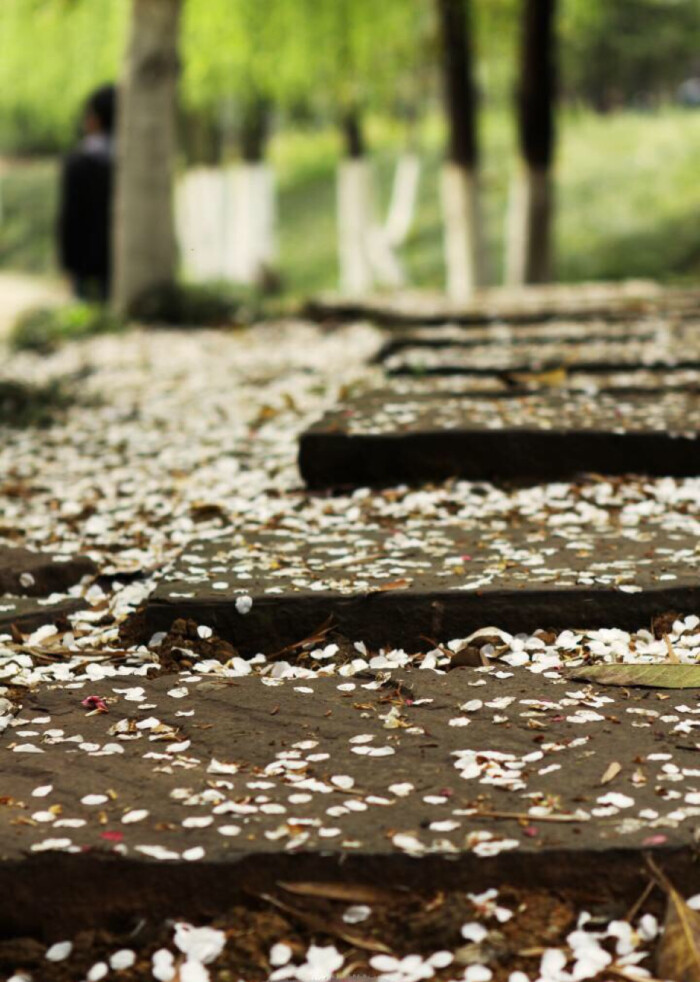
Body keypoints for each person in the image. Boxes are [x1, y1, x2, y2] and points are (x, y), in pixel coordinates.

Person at [57, 84, 117, 303]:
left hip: (86, 263)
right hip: (121, 260)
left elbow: (70, 215)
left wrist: (67, 264)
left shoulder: (79, 162)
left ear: (95, 119)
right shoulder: (132, 164)